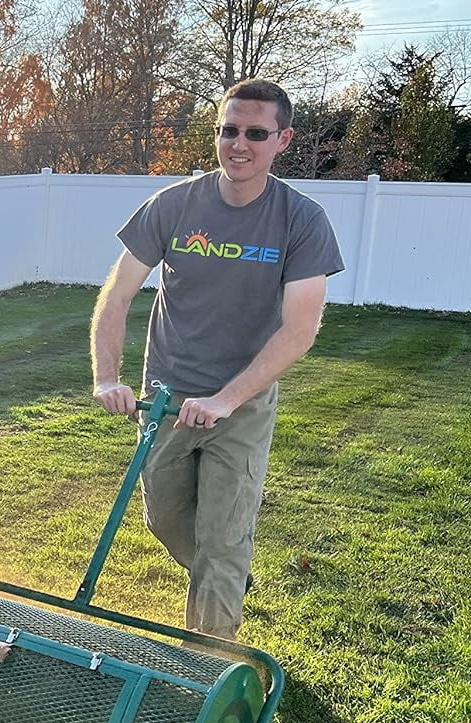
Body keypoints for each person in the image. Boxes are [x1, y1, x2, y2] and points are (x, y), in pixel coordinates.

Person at [89, 79, 344, 640]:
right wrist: (107, 378)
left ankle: (210, 667)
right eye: (229, 130)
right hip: (166, 399)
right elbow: (118, 293)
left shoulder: (301, 220)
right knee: (165, 520)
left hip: (241, 404)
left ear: (282, 140)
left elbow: (300, 329)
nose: (240, 144)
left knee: (223, 540)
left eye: (256, 133)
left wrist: (227, 400)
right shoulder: (174, 205)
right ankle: (223, 576)